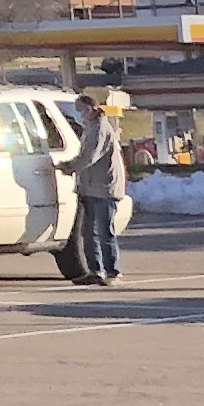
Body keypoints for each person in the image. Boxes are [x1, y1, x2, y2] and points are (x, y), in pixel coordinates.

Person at [69, 91, 127, 285]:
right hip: (90, 187)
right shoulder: (90, 127)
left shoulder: (100, 129)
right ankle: (95, 270)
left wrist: (69, 167)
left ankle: (112, 272)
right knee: (88, 231)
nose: (80, 114)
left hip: (104, 188)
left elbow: (89, 156)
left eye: (82, 110)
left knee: (104, 230)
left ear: (92, 108)